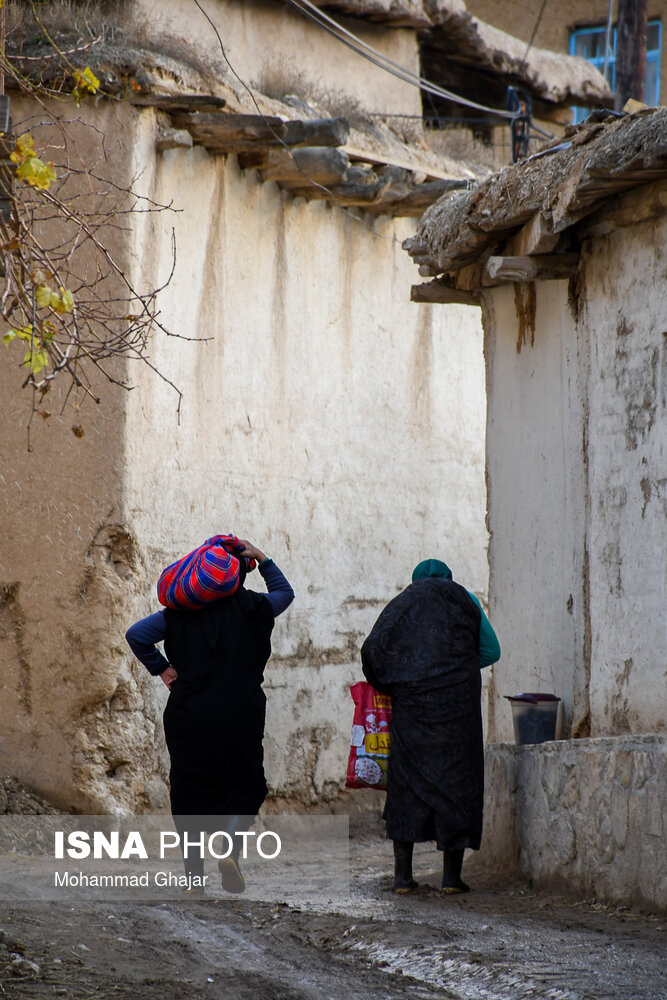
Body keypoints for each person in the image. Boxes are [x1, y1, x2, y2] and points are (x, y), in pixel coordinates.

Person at [125, 541, 294, 893]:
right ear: (235, 578)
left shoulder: (176, 616)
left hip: (189, 716)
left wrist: (163, 669)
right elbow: (284, 591)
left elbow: (136, 635)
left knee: (190, 790)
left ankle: (193, 879)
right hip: (241, 712)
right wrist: (262, 557)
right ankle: (229, 851)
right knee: (246, 784)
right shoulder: (255, 607)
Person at [361, 558, 500, 895]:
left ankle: (403, 879)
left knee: (407, 786)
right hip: (458, 712)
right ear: (449, 579)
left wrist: (393, 682)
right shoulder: (466, 599)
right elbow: (491, 651)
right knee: (457, 784)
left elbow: (372, 651)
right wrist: (456, 664)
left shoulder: (403, 603)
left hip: (413, 710)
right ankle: (451, 879)